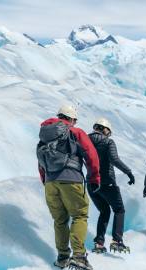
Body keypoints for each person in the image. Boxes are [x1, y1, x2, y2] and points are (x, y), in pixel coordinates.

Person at [36, 105, 100, 270]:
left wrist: (46, 180)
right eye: (75, 120)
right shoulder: (75, 132)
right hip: (72, 180)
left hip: (51, 182)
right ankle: (78, 256)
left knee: (60, 219)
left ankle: (63, 257)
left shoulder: (45, 135)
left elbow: (41, 161)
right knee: (79, 216)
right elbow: (91, 154)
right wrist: (94, 177)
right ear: (71, 119)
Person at [87, 117, 135, 254]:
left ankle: (99, 243)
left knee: (104, 211)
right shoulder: (108, 142)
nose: (109, 134)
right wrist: (128, 172)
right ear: (105, 129)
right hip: (107, 183)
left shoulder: (85, 141)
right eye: (108, 131)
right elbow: (114, 159)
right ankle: (117, 241)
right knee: (119, 210)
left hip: (91, 184)